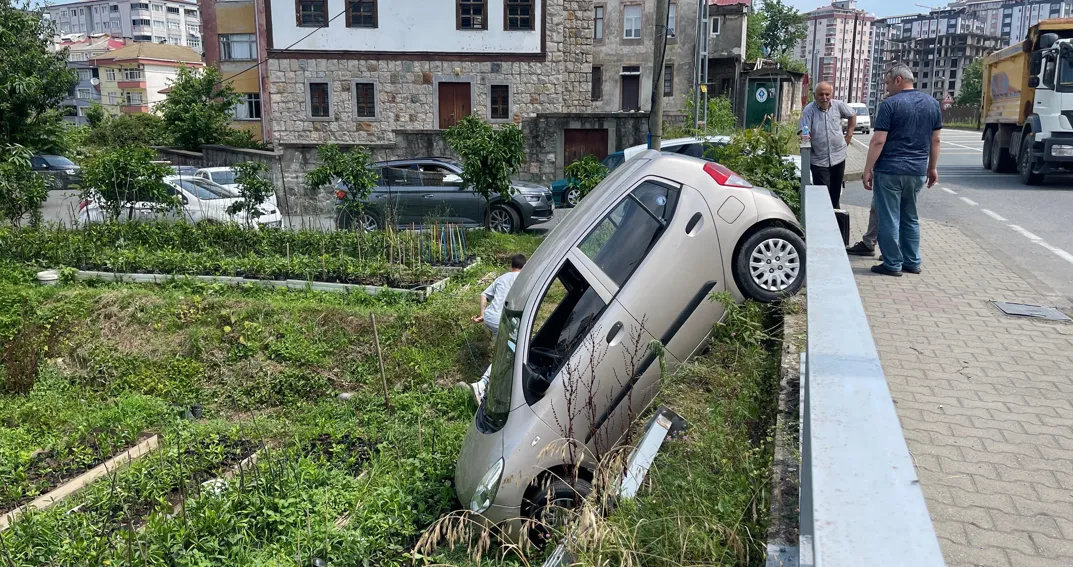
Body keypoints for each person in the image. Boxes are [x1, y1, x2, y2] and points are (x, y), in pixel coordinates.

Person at [863, 64, 942, 276]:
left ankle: (892, 264)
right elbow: (936, 139)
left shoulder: (890, 105)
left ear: (898, 80)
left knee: (889, 218)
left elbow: (878, 141)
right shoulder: (932, 104)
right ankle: (912, 261)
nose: (887, 89)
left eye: (888, 83)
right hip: (917, 171)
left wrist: (867, 169)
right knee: (911, 217)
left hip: (890, 170)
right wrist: (932, 168)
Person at [466, 253, 526, 404]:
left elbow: (483, 295)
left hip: (490, 317)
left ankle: (495, 384)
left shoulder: (502, 278)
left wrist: (482, 315)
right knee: (508, 352)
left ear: (511, 265)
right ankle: (482, 384)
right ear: (524, 267)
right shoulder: (523, 279)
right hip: (503, 319)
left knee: (506, 349)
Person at [800, 81, 856, 209]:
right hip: (819, 160)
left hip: (838, 156)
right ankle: (824, 221)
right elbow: (804, 130)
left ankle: (837, 221)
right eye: (821, 94)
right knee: (822, 194)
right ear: (814, 95)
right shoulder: (809, 110)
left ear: (831, 94)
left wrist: (849, 135)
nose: (824, 97)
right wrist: (805, 136)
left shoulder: (838, 105)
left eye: (827, 94)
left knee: (836, 193)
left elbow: (852, 114)